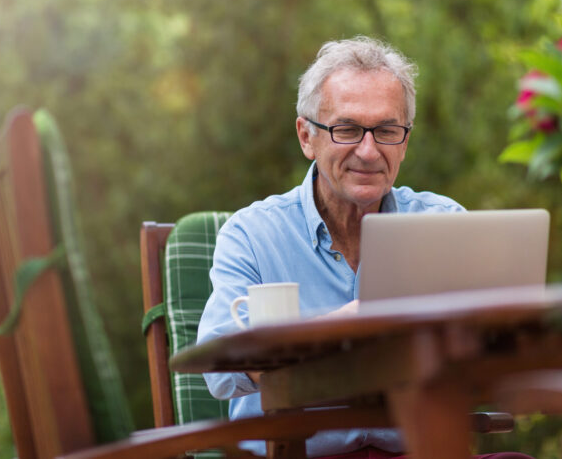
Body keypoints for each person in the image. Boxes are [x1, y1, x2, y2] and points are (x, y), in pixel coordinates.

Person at [197, 36, 534, 459]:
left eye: (387, 130)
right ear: (307, 137)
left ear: (405, 141)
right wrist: (335, 332)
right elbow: (220, 371)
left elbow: (496, 352)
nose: (369, 151)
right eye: (348, 129)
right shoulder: (251, 233)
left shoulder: (443, 222)